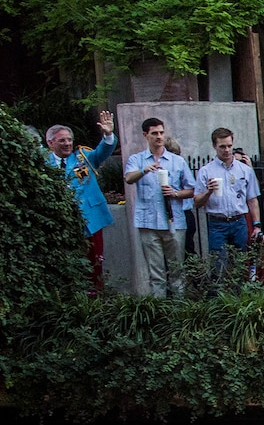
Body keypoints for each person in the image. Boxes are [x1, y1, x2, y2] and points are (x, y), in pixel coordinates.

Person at [123, 117, 197, 299]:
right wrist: (144, 170)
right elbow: (128, 178)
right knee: (156, 274)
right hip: (149, 223)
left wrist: (175, 193)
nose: (159, 137)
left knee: (176, 271)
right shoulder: (137, 159)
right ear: (145, 135)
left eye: (161, 133)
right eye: (154, 133)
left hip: (174, 222)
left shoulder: (176, 161)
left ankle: (179, 313)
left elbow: (193, 189)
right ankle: (160, 313)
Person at [45, 110, 117, 293]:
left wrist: (108, 134)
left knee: (95, 263)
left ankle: (95, 300)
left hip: (89, 221)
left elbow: (104, 151)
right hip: (59, 222)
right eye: (62, 140)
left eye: (69, 139)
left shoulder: (83, 157)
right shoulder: (42, 161)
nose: (68, 143)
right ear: (50, 142)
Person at [194, 126, 261, 274]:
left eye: (229, 146)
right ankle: (220, 295)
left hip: (239, 222)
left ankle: (238, 295)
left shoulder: (244, 170)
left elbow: (252, 199)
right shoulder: (206, 171)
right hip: (217, 222)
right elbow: (197, 202)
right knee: (219, 264)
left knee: (240, 263)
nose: (226, 150)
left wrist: (257, 225)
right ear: (214, 146)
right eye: (222, 146)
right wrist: (209, 191)